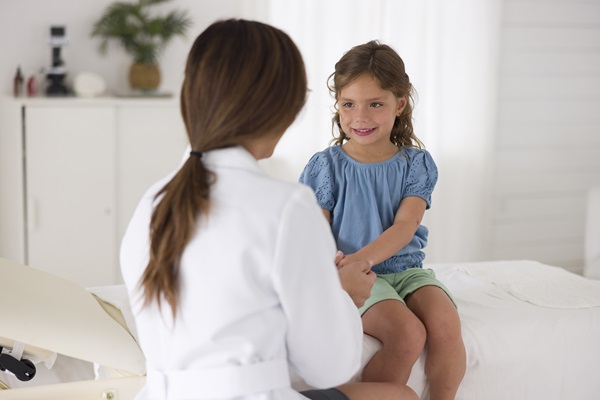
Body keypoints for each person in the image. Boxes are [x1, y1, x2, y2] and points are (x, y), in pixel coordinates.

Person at [120, 20, 417, 400]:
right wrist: (341, 294)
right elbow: (329, 367)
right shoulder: (286, 206)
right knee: (402, 396)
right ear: (281, 106)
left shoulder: (153, 201)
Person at [299, 40, 466, 400]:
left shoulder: (416, 164)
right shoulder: (325, 166)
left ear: (400, 104)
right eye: (349, 104)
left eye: (375, 104)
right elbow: (314, 233)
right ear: (337, 104)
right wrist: (346, 269)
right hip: (355, 276)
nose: (360, 117)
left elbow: (405, 226)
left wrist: (362, 258)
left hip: (405, 269)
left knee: (445, 324)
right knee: (407, 334)